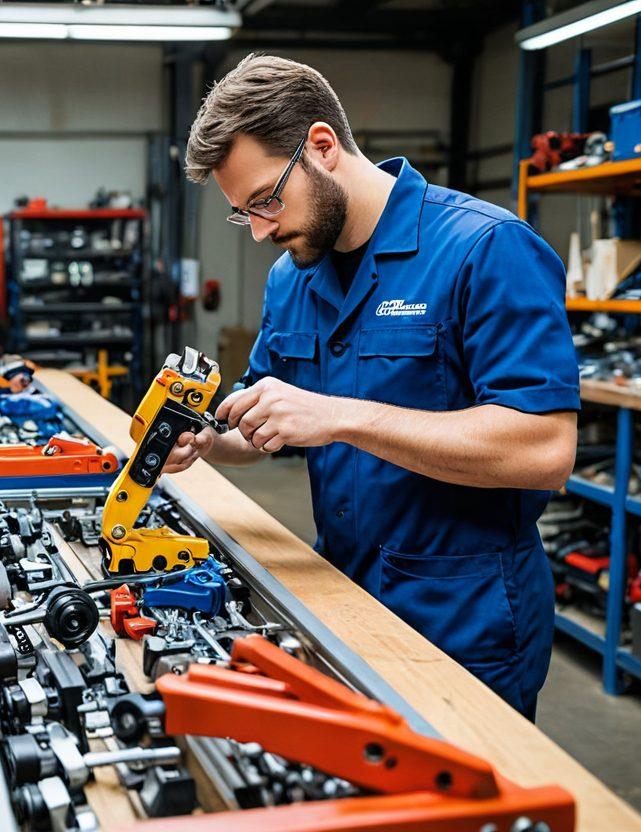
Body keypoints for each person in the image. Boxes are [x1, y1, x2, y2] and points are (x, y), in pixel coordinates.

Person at [170, 54, 580, 719]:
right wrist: (208, 438)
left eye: (267, 201)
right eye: (242, 214)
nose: (262, 231)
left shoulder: (487, 249)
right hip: (339, 602)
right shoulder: (292, 278)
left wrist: (338, 417)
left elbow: (543, 450)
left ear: (323, 148)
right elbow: (263, 424)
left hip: (463, 625)